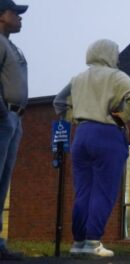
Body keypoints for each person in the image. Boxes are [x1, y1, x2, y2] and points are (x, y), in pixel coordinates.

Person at [53, 39, 130, 257]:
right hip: (107, 134)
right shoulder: (115, 75)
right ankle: (94, 242)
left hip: (82, 135)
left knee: (83, 191)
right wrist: (124, 117)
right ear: (109, 54)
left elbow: (59, 101)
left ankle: (78, 243)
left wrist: (74, 119)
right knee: (104, 190)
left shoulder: (78, 78)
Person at [0, 0, 28, 260]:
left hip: (14, 117)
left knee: (3, 182)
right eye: (15, 13)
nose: (20, 18)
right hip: (3, 116)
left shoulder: (12, 46)